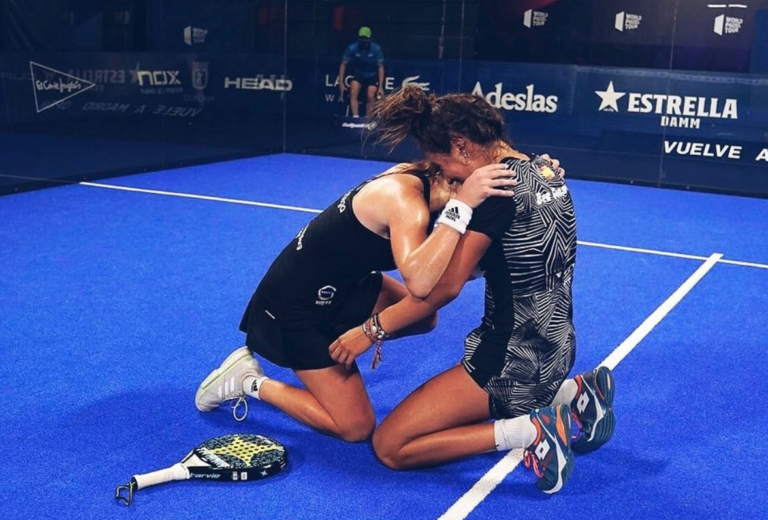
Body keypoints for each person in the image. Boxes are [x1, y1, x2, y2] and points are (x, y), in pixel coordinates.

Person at [328, 86, 615, 494]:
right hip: (557, 347)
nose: (446, 177)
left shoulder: (494, 193)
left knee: (391, 445)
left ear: (461, 146)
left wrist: (370, 330)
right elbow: (510, 256)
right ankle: (576, 394)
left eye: (443, 164)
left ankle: (529, 431)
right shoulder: (545, 171)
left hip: (509, 362)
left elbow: (440, 289)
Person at [194, 145, 519, 442]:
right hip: (293, 308)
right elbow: (423, 284)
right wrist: (370, 330)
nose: (488, 194)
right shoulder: (408, 201)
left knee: (424, 317)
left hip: (346, 286)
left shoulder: (428, 183)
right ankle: (249, 382)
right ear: (452, 175)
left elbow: (447, 273)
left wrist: (540, 172)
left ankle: (338, 345)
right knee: (356, 427)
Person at [338, 26, 385, 118]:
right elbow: (343, 64)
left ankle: (368, 119)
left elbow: (380, 68)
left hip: (372, 74)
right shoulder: (352, 48)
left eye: (366, 38)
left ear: (370, 38)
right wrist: (341, 82)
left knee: (371, 95)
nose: (364, 40)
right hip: (359, 73)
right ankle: (355, 117)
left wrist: (380, 87)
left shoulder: (376, 49)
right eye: (361, 38)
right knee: (353, 92)